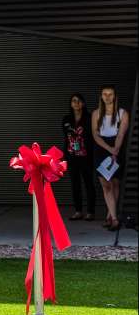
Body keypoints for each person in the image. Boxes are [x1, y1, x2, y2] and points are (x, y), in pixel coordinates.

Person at [91, 85, 130, 231]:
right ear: (101, 96)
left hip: (117, 146)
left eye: (110, 94)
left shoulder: (123, 113)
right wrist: (109, 149)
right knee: (106, 184)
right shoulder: (96, 114)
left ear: (115, 96)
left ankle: (109, 214)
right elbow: (95, 135)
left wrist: (115, 150)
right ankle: (114, 219)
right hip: (101, 148)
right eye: (104, 94)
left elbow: (121, 134)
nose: (107, 96)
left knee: (114, 183)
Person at [62, 93, 95, 221]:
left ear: (83, 103)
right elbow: (66, 137)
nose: (76, 103)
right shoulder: (66, 119)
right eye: (74, 101)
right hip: (72, 156)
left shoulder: (89, 117)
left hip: (86, 156)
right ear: (71, 104)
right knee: (75, 184)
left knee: (88, 183)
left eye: (79, 101)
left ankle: (90, 212)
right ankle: (78, 211)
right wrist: (65, 156)